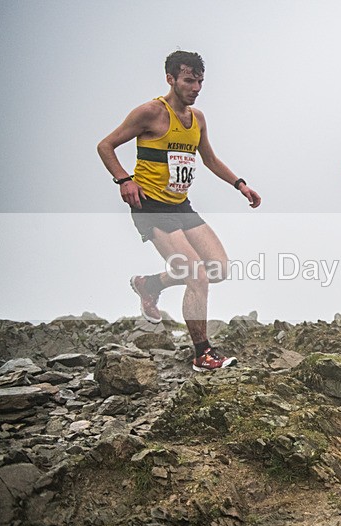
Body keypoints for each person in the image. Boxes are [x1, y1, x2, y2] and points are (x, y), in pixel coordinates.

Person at [97, 50, 261, 372]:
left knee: (219, 268)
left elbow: (210, 159)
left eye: (200, 81)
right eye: (189, 80)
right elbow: (106, 145)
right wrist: (123, 180)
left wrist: (240, 184)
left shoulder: (197, 119)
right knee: (197, 274)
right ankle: (202, 354)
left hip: (180, 205)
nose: (196, 87)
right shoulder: (150, 113)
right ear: (171, 79)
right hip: (151, 207)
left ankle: (151, 285)